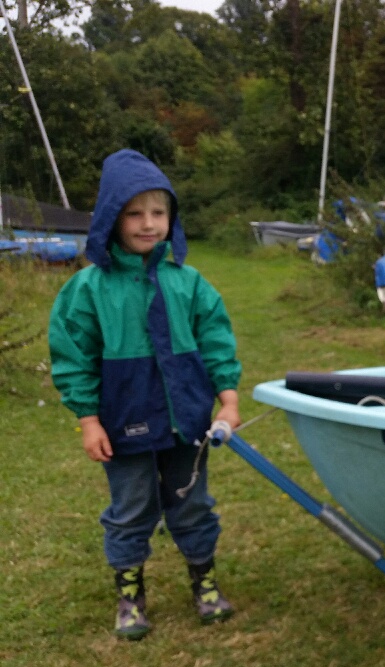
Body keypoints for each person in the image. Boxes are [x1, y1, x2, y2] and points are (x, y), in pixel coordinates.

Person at [48, 149, 242, 641]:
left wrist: (229, 399)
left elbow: (217, 343)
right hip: (122, 423)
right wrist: (88, 419)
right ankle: (130, 594)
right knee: (131, 508)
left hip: (188, 423)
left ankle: (205, 581)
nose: (148, 223)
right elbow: (73, 356)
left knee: (192, 503)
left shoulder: (190, 284)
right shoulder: (87, 290)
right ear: (111, 219)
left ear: (171, 218)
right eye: (134, 212)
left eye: (158, 212)